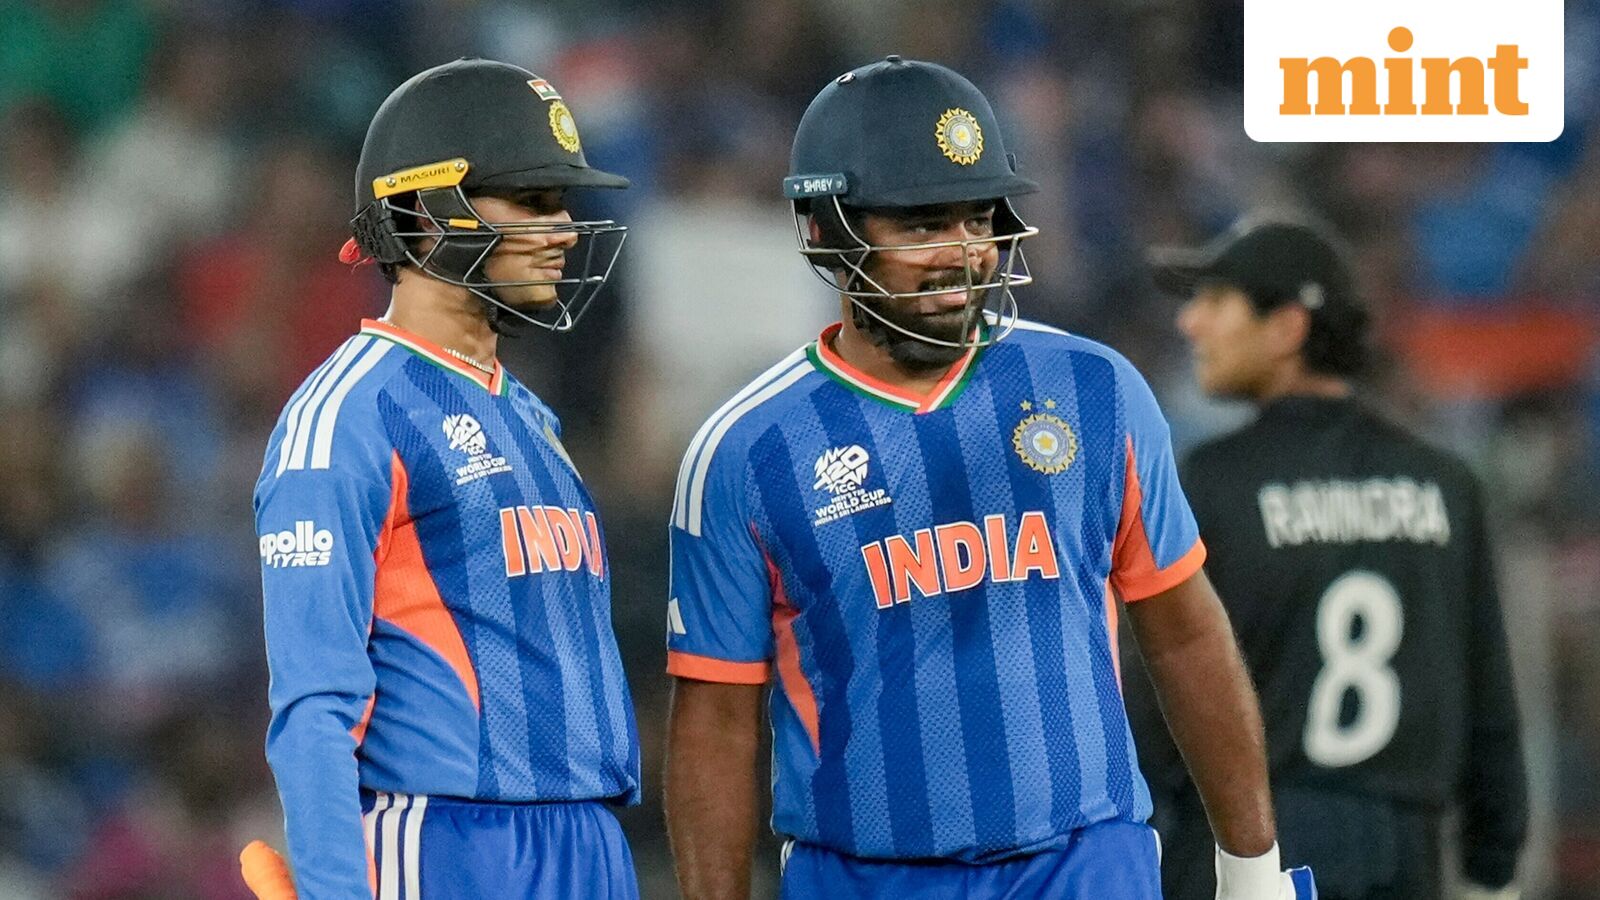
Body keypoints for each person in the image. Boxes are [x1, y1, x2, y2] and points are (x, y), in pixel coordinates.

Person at [661, 56, 1314, 900]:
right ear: (824, 229)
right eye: (923, 224)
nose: (963, 253)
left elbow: (1184, 632)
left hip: (1086, 864)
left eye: (978, 219)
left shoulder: (1097, 390)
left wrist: (1253, 870)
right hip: (861, 880)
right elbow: (715, 722)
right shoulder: (745, 451)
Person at [252, 58, 641, 899]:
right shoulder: (347, 416)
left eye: (561, 203)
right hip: (448, 845)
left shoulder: (529, 414)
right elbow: (315, 705)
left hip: (587, 842)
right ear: (425, 214)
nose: (564, 229)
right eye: (532, 201)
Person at [1130, 216, 1528, 900]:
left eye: (1217, 301)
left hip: (1254, 845)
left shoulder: (1214, 480)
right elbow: (1489, 701)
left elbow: (1161, 687)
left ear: (1288, 327)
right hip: (1406, 854)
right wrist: (1494, 864)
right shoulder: (1443, 483)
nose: (1190, 322)